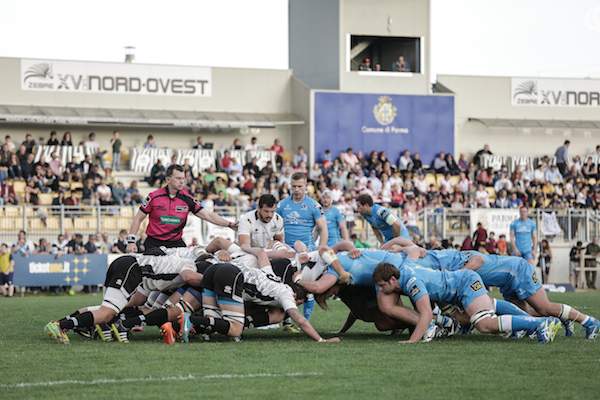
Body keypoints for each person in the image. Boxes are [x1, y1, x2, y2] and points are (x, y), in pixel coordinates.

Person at [372, 262, 560, 344]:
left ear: (392, 280)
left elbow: (426, 314)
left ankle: (540, 324)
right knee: (490, 306)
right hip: (462, 282)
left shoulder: (411, 282)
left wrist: (413, 340)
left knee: (484, 324)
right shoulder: (405, 271)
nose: (381, 290)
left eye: (382, 286)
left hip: (464, 285)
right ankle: (533, 322)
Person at [44, 252, 205, 344]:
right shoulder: (190, 264)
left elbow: (140, 299)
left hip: (129, 266)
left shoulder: (173, 267)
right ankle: (61, 325)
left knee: (111, 309)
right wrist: (210, 280)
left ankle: (63, 321)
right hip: (131, 268)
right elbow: (189, 276)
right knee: (106, 312)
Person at [127, 164, 236, 252]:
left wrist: (229, 224)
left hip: (176, 243)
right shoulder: (153, 197)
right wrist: (131, 241)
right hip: (154, 243)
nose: (182, 181)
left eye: (183, 178)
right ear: (168, 179)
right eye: (178, 178)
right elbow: (138, 218)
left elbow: (208, 215)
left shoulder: (187, 198)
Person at [277, 172, 328, 320]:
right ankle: (286, 321)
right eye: (294, 186)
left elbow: (323, 228)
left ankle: (306, 319)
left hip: (307, 252)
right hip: (287, 251)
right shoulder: (282, 205)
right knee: (284, 286)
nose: (297, 189)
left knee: (306, 288)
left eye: (300, 186)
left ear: (306, 186)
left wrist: (322, 249)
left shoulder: (313, 205)